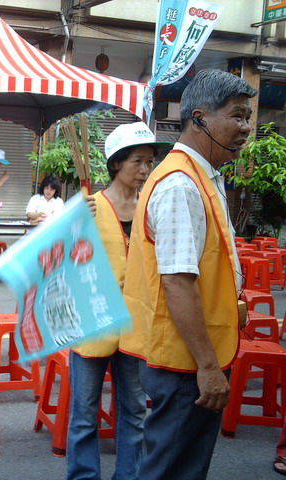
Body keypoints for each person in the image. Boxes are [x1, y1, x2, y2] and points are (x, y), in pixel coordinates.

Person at [120, 69, 256, 480]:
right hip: (187, 362)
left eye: (248, 117)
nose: (246, 128)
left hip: (190, 356)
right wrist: (208, 367)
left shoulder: (199, 175)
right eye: (237, 115)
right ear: (199, 118)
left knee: (180, 464)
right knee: (173, 469)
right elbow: (177, 281)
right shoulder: (180, 183)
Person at [67, 122, 167, 480]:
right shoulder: (90, 206)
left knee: (135, 412)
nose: (144, 169)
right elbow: (64, 261)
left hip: (135, 325)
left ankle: (129, 475)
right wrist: (72, 226)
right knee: (84, 415)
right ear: (116, 164)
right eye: (137, 161)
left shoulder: (151, 208)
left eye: (149, 161)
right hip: (93, 323)